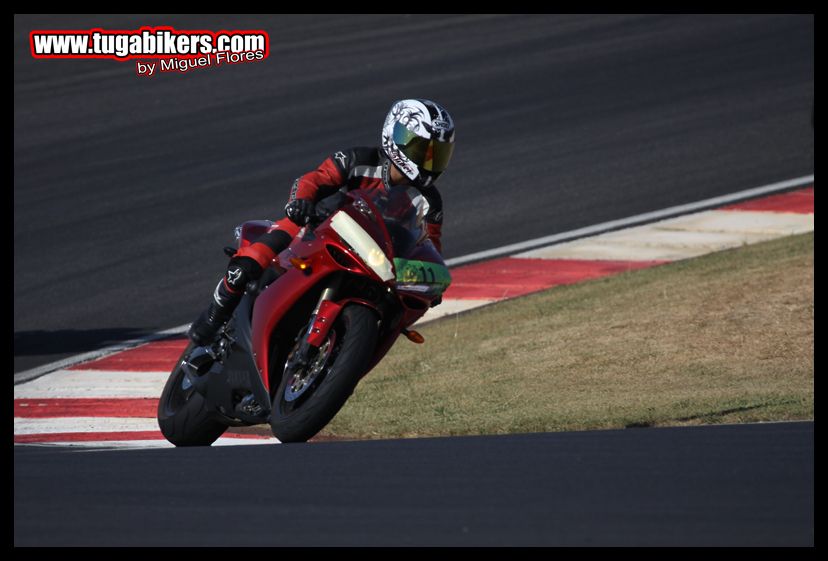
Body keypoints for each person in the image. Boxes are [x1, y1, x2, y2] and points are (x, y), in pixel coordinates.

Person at [188, 99, 456, 346]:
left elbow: (430, 245)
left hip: (374, 263)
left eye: (436, 154)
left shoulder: (431, 203)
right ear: (397, 137)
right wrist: (301, 201)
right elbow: (313, 180)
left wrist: (430, 283)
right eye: (422, 150)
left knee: (393, 318)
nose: (427, 161)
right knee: (259, 255)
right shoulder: (359, 160)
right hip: (318, 230)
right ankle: (216, 311)